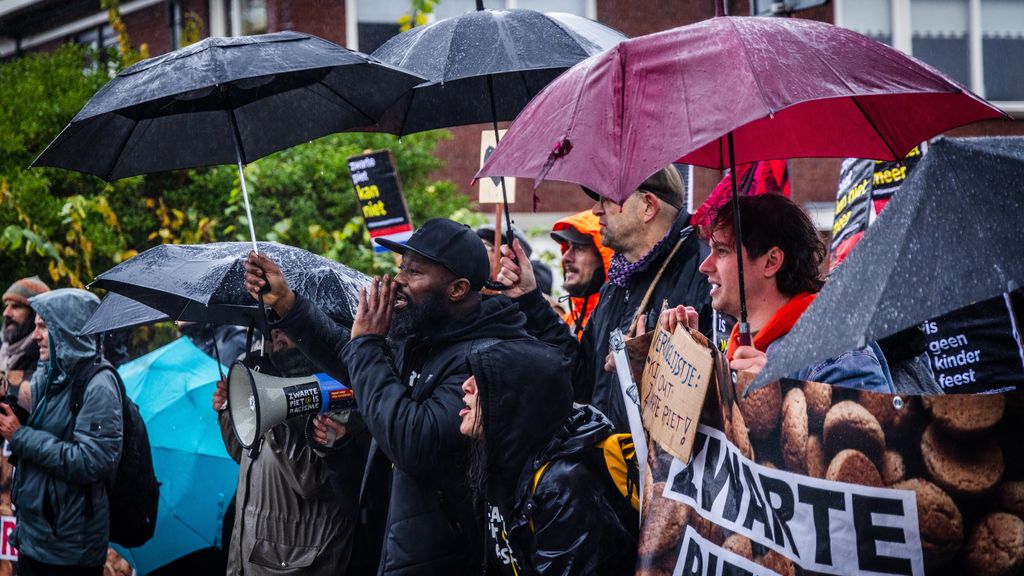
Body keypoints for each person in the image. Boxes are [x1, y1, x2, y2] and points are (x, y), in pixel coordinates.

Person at [243, 218, 531, 576]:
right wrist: (286, 303)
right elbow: (355, 364)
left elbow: (412, 442)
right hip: (401, 546)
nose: (398, 281)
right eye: (400, 268)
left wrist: (367, 344)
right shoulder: (427, 339)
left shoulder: (482, 357)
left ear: (457, 288)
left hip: (447, 558)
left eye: (414, 272)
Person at [498, 166, 713, 433]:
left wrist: (650, 368)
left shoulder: (705, 271)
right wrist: (530, 299)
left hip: (664, 471)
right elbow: (582, 379)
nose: (597, 210)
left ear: (648, 206)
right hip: (609, 463)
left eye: (608, 199)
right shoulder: (617, 282)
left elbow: (716, 399)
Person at [660, 194, 890, 390]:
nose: (704, 266)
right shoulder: (741, 348)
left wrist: (778, 398)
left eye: (721, 251)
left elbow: (868, 439)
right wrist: (690, 359)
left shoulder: (837, 353)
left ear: (771, 261)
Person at [459, 338, 637, 576]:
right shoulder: (498, 460)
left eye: (483, 379)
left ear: (514, 399)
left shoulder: (562, 486)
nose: (466, 386)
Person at [213, 328, 363, 576]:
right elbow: (247, 456)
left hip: (295, 564)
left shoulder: (335, 389)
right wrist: (230, 411)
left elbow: (311, 480)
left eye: (287, 324)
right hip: (251, 558)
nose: (276, 332)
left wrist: (274, 405)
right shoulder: (271, 374)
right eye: (273, 326)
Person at [0, 288, 123, 575]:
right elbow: (37, 415)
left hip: (69, 551)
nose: (35, 336)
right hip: (36, 538)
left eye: (43, 327)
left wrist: (19, 437)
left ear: (68, 330)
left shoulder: (99, 385)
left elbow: (92, 461)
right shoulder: (55, 373)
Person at [550, 211, 613, 339]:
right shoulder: (567, 323)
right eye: (567, 247)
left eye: (579, 248)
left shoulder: (619, 326)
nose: (565, 257)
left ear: (604, 257)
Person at [1, 276, 50, 407]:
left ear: (35, 314)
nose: (6, 313)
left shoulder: (44, 357)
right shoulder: (3, 350)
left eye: (16, 307)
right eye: (6, 306)